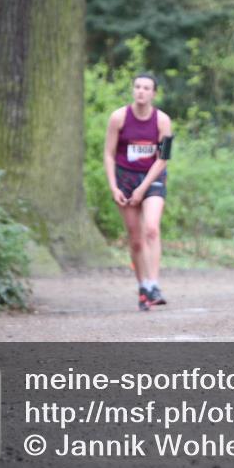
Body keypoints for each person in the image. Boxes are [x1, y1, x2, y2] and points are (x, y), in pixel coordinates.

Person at [104, 74, 173, 311]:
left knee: (151, 229)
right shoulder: (118, 118)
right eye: (137, 87)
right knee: (135, 239)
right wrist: (114, 187)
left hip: (152, 178)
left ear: (154, 93)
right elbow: (109, 154)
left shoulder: (162, 121)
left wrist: (142, 188)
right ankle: (143, 287)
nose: (141, 91)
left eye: (147, 88)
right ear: (133, 90)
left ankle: (154, 284)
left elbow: (163, 158)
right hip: (125, 178)